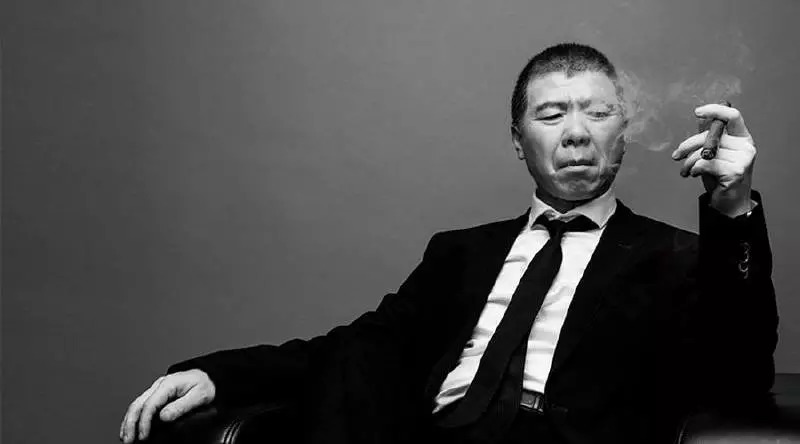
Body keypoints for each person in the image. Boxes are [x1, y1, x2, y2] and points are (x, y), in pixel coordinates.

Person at [119, 43, 777, 444]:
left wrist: (731, 207)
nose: (576, 133)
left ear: (623, 134)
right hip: (431, 435)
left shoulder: (677, 258)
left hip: (557, 439)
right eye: (551, 114)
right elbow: (356, 347)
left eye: (598, 113)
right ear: (518, 141)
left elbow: (742, 374)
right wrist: (218, 374)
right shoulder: (459, 254)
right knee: (357, 361)